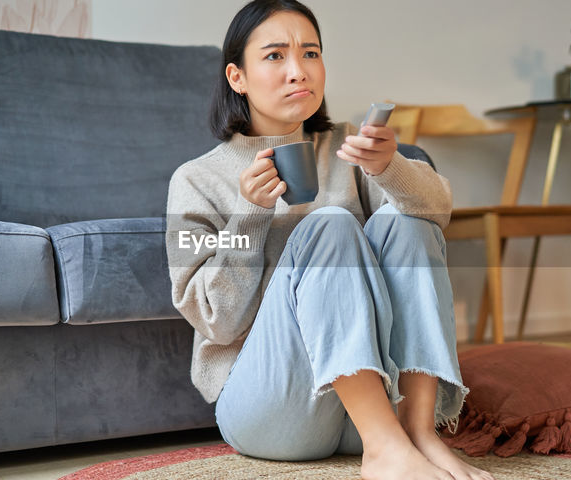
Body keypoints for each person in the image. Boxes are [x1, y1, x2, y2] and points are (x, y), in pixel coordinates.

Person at [166, 1, 493, 479]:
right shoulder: (195, 181)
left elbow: (437, 211)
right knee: (331, 224)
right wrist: (250, 215)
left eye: (311, 53)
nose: (299, 72)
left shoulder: (348, 149)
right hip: (271, 411)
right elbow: (216, 320)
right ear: (237, 77)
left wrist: (390, 167)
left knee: (408, 220)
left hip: (376, 405)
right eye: (275, 56)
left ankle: (417, 433)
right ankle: (386, 449)